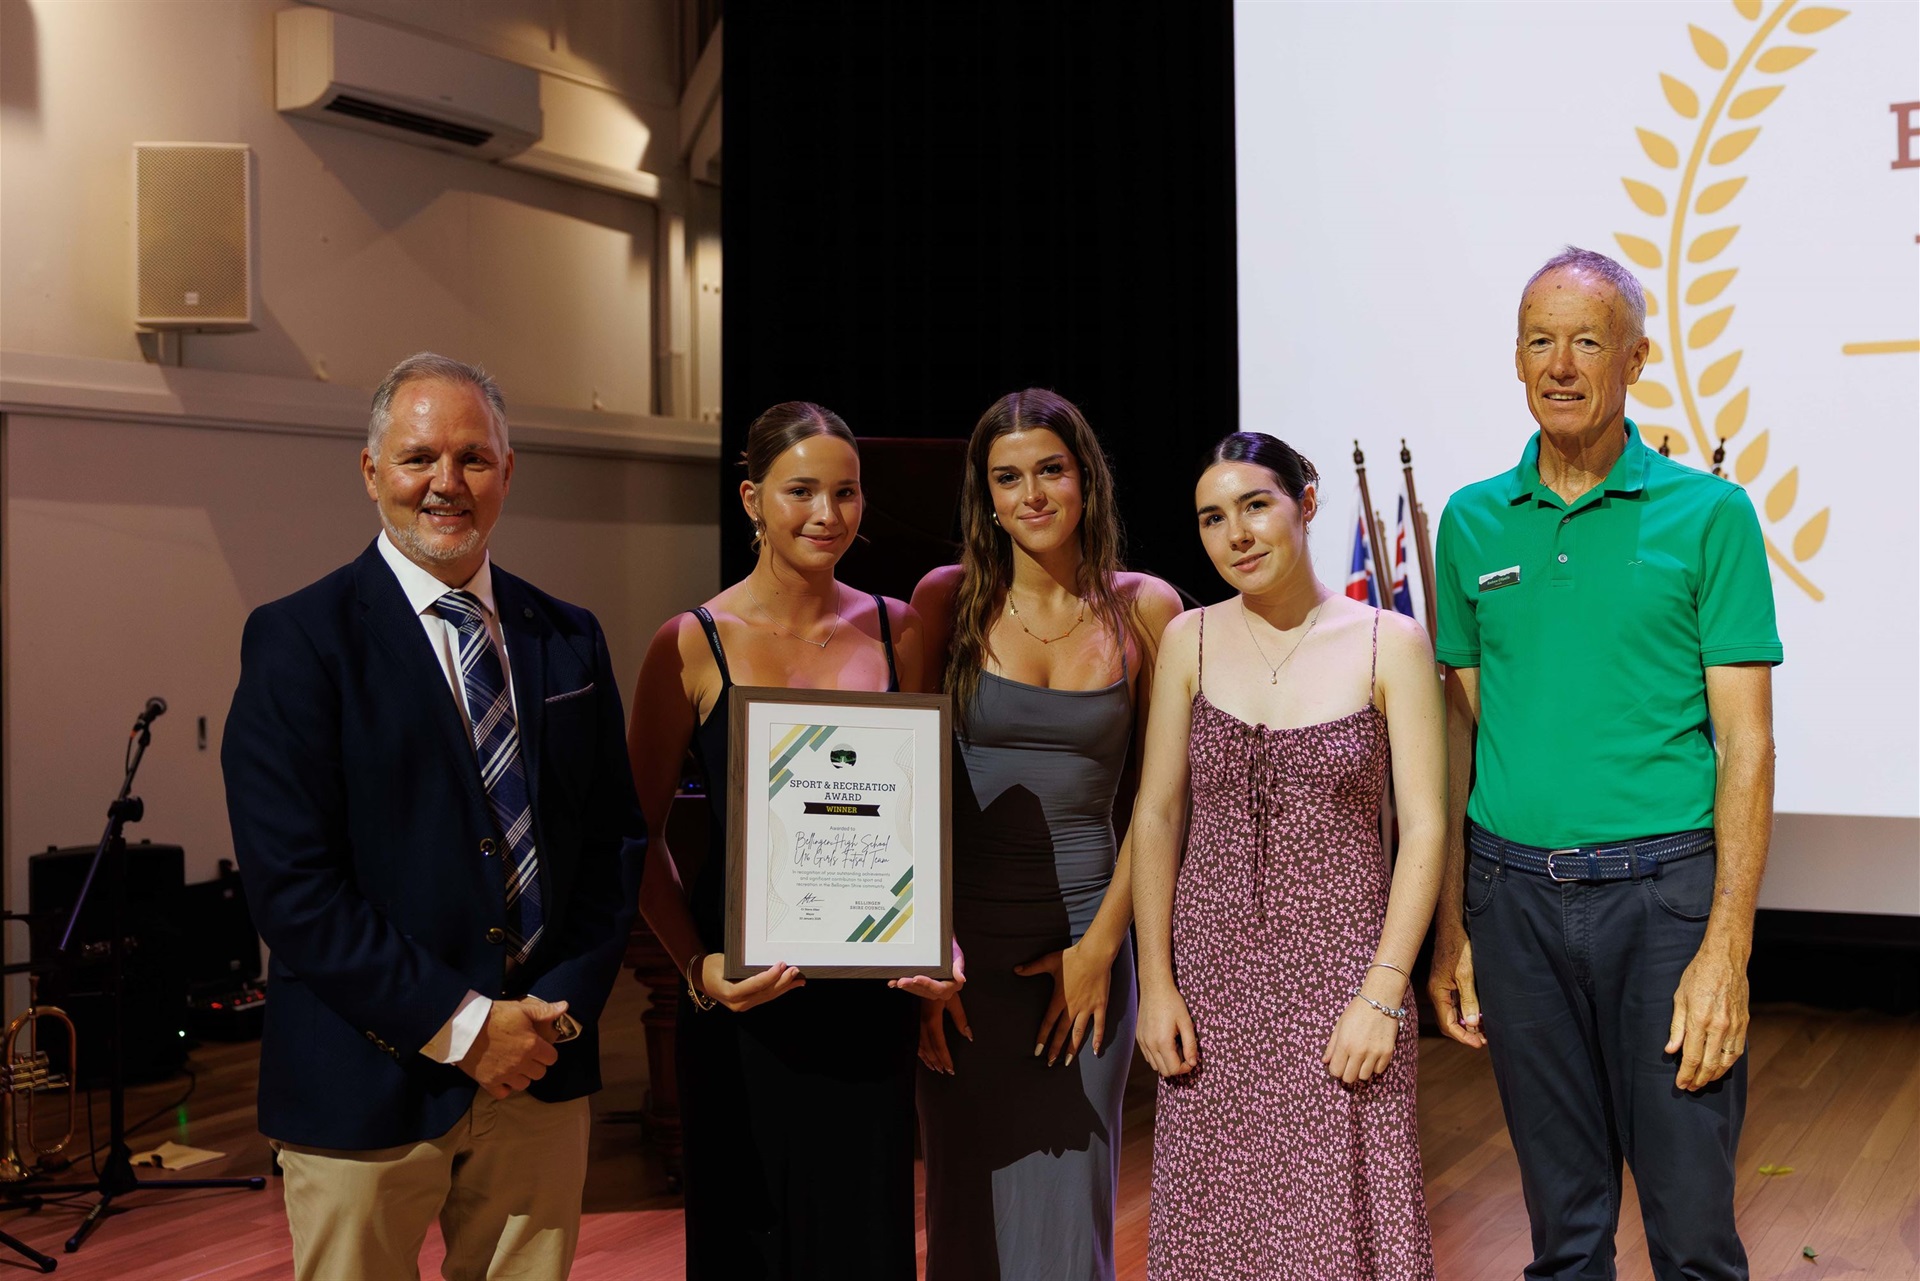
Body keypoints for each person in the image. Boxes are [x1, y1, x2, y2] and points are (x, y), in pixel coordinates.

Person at [222, 352, 643, 1280]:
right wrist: (462, 1025)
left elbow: (612, 845)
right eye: (418, 458)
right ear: (371, 472)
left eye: (473, 459)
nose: (445, 484)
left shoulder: (567, 634)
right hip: (367, 1078)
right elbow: (294, 888)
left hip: (539, 1068)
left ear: (507, 470)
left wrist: (549, 1021)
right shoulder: (296, 639)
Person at [1426, 246, 1781, 1280]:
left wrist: (1727, 951)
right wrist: (1456, 928)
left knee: (1693, 1238)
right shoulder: (1470, 521)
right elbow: (1464, 736)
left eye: (1588, 340)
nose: (1563, 363)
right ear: (1517, 360)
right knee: (1565, 1239)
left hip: (1664, 902)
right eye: (1542, 340)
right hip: (1513, 903)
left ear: (1636, 357)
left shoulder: (1708, 517)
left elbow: (1748, 748)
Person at [628, 402, 938, 1280]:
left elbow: (925, 816)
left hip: (868, 998)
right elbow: (636, 839)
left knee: (864, 1236)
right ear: (751, 499)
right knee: (745, 1239)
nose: (826, 513)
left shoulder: (898, 629)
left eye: (846, 492)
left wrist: (936, 937)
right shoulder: (691, 643)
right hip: (745, 1004)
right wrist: (699, 970)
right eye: (801, 490)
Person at [1131, 432, 1444, 1279]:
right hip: (1211, 984)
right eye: (1212, 518)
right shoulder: (1189, 640)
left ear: (1306, 502)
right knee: (1216, 1223)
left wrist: (1383, 993)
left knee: (1340, 1225)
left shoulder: (1390, 641)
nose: (1236, 533)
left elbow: (1424, 827)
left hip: (1344, 977)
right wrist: (1154, 983)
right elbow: (1157, 815)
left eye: (1255, 505)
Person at [910, 389, 1183, 1281]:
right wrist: (925, 953)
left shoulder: (1147, 609)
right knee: (965, 1204)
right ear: (985, 496)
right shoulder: (943, 600)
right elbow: (910, 784)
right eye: (1008, 477)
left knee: (1073, 1204)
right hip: (962, 954)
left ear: (1086, 479)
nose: (1031, 493)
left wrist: (1102, 947)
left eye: (1050, 470)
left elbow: (1158, 798)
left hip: (1091, 938)